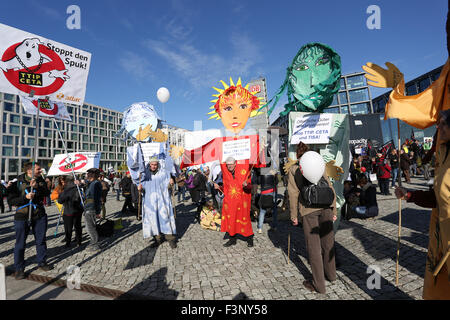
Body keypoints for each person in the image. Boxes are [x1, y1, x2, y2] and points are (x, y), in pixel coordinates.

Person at [394, 109, 450, 299]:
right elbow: (436, 198)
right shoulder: (442, 155)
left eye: (442, 123)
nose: (438, 127)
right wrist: (408, 194)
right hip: (443, 236)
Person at [288, 142, 337, 294]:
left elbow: (293, 194)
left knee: (314, 249)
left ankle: (319, 286)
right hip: (326, 207)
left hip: (308, 211)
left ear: (297, 155)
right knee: (328, 243)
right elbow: (329, 186)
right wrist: (334, 209)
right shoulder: (317, 161)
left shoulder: (294, 169)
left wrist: (294, 216)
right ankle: (331, 275)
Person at [7, 162, 52, 280]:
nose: (40, 171)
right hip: (22, 216)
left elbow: (47, 193)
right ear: (29, 171)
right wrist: (25, 198)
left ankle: (42, 262)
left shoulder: (40, 180)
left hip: (39, 215)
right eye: (38, 169)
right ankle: (19, 268)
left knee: (41, 240)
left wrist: (38, 187)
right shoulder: (16, 183)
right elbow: (11, 201)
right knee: (20, 243)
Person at [137, 157, 177, 249]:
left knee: (165, 218)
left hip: (162, 201)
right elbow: (143, 187)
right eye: (152, 164)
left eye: (155, 164)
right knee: (153, 220)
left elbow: (168, 187)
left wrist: (170, 183)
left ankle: (170, 239)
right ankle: (157, 239)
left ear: (158, 164)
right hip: (150, 203)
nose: (154, 166)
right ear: (149, 165)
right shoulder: (145, 175)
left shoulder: (163, 173)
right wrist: (140, 188)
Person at [217, 157, 254, 247]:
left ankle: (250, 239)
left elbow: (250, 188)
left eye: (231, 164)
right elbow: (225, 189)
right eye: (228, 164)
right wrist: (218, 187)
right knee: (231, 220)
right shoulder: (226, 174)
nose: (229, 166)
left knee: (245, 219)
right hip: (231, 203)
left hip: (242, 202)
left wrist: (246, 185)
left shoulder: (243, 173)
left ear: (235, 164)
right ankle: (232, 239)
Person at [57, 175, 83, 248]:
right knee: (78, 226)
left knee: (68, 228)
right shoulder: (78, 188)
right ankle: (79, 241)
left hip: (68, 211)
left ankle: (68, 242)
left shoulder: (66, 190)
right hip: (78, 211)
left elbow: (60, 201)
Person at [83, 168, 102, 252]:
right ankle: (93, 241)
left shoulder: (96, 184)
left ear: (92, 175)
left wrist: (97, 211)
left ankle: (95, 244)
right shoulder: (91, 183)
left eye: (88, 174)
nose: (86, 175)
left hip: (91, 208)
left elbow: (96, 198)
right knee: (89, 226)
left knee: (90, 227)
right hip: (88, 207)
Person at [256, 169, 278, 234]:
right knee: (274, 209)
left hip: (264, 191)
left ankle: (260, 228)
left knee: (262, 210)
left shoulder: (261, 171)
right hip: (272, 190)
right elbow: (276, 182)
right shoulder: (273, 171)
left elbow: (258, 181)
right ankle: (274, 226)